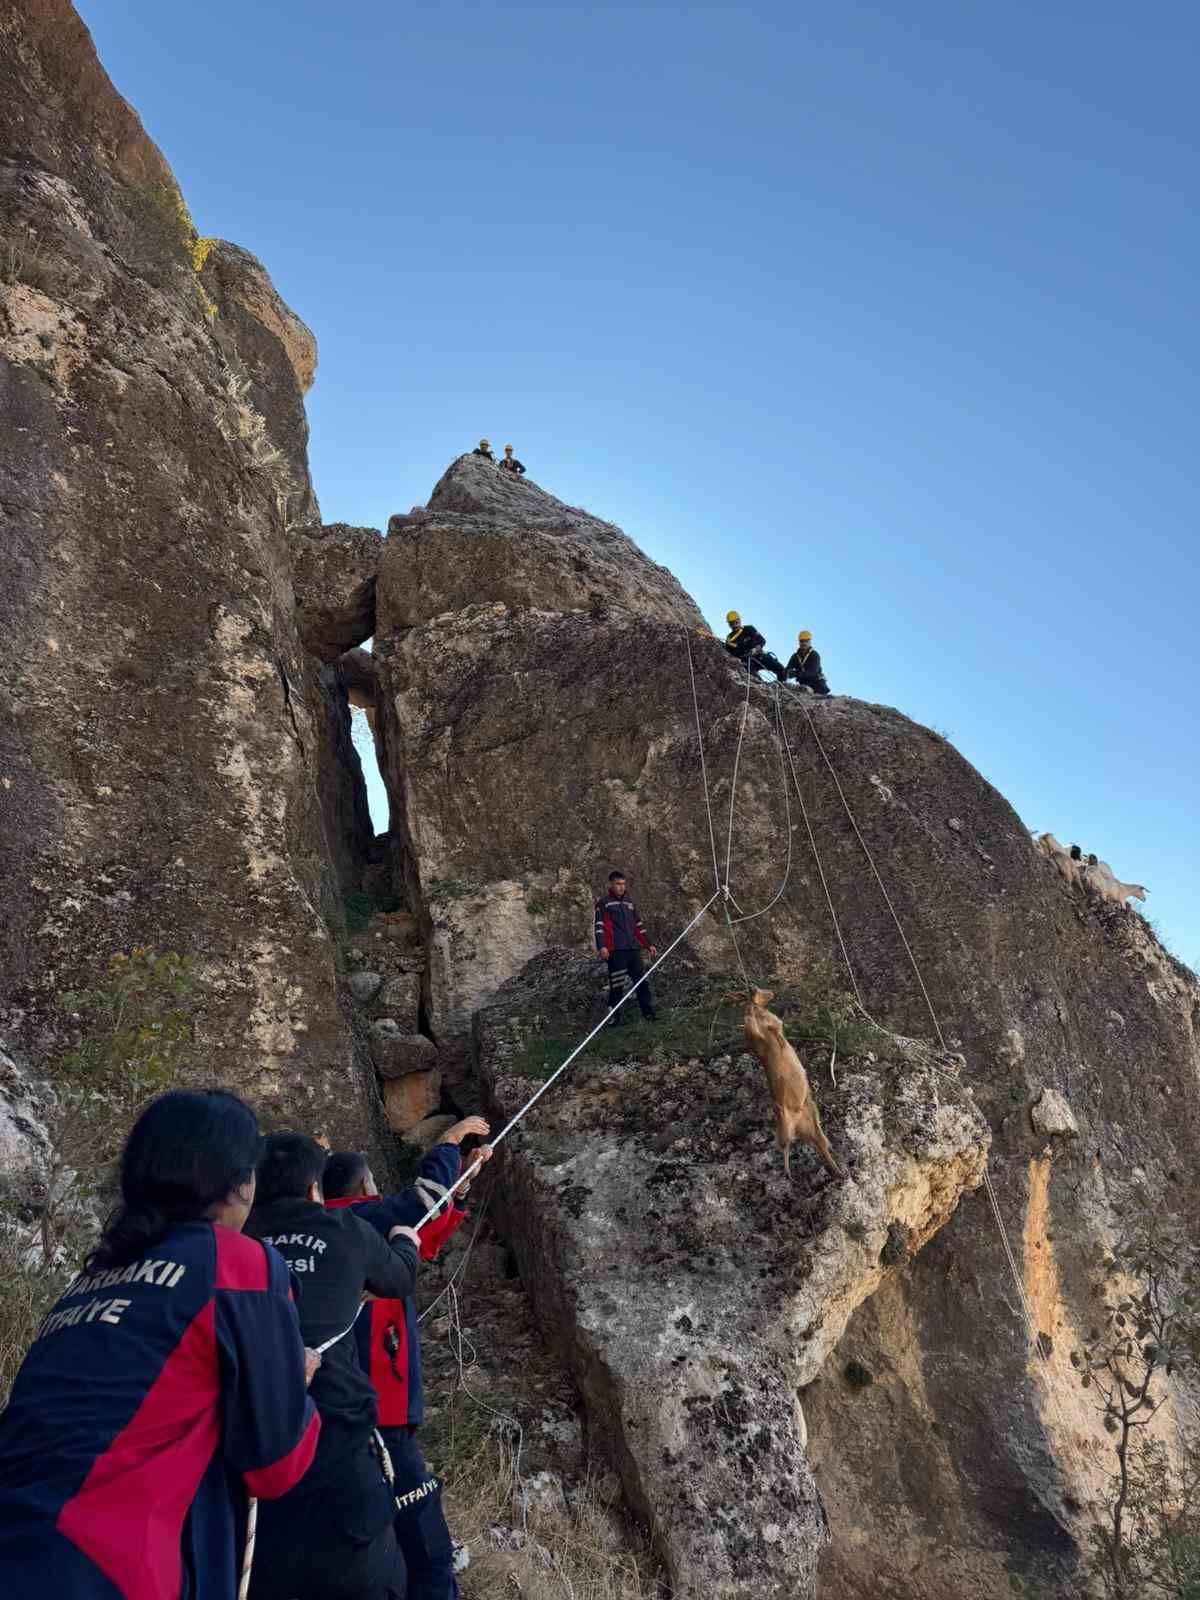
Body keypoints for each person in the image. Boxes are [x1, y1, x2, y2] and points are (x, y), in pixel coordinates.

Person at [0, 1089, 321, 1600]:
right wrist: (295, 1387)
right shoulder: (239, 1263)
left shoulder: (90, 1279)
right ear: (238, 1182)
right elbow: (274, 1464)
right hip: (107, 1566)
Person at [245, 1133, 422, 1600]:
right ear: (313, 1190)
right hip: (337, 1446)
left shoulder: (234, 1241)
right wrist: (406, 1241)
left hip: (251, 1461)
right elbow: (399, 1277)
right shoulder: (344, 1230)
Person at [323, 1119, 493, 1600]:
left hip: (345, 1410)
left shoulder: (329, 1234)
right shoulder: (363, 1221)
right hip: (382, 1405)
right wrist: (447, 1146)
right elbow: (419, 1205)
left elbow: (423, 1239)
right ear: (362, 1186)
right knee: (424, 1545)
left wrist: (459, 1187)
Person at [595, 869, 659, 1025]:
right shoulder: (604, 903)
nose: (621, 887)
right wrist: (602, 946)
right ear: (611, 884)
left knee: (641, 982)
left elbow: (638, 926)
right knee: (617, 986)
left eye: (623, 884)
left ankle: (649, 1015)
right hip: (616, 951)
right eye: (618, 884)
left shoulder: (629, 903)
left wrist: (648, 944)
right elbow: (599, 926)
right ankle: (614, 1019)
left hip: (632, 949)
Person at [723, 611, 786, 681]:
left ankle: (781, 687)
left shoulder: (749, 629)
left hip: (759, 656)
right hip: (747, 662)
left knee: (781, 670)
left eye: (736, 622)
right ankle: (762, 686)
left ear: (739, 620)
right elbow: (730, 653)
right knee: (755, 679)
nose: (734, 625)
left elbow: (762, 640)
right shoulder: (729, 639)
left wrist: (755, 649)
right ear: (729, 625)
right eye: (732, 623)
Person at [784, 630, 830, 696]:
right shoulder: (795, 657)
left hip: (817, 683)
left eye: (806, 641)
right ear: (799, 642)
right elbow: (788, 668)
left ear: (810, 642)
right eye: (802, 641)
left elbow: (812, 672)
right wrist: (786, 673)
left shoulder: (814, 655)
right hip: (804, 684)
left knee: (820, 699)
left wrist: (795, 674)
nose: (804, 643)